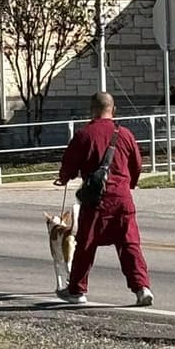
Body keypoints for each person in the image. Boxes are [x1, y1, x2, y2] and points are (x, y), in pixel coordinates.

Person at [53, 92, 153, 307]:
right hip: (123, 198)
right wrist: (129, 184)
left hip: (96, 200)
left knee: (86, 245)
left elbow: (69, 165)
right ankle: (142, 288)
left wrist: (64, 178)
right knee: (129, 244)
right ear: (113, 109)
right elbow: (136, 165)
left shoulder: (84, 135)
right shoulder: (125, 134)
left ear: (92, 110)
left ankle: (77, 290)